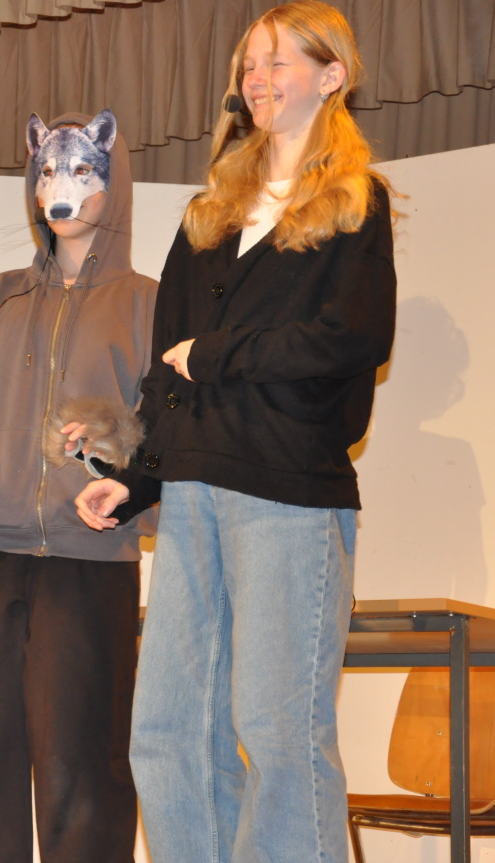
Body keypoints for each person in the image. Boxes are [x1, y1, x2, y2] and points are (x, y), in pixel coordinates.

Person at [73, 3, 397, 860]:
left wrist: (218, 355)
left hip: (287, 492)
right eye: (249, 64)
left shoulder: (356, 202)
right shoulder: (208, 214)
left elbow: (352, 338)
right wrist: (137, 477)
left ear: (331, 76)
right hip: (191, 496)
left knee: (278, 731)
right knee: (167, 730)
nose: (258, 78)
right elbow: (164, 366)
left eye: (279, 61)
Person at [0, 110, 157, 863]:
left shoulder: (148, 301)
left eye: (80, 170)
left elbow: (171, 433)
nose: (61, 187)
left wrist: (117, 450)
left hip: (91, 561)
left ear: (112, 180)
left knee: (84, 763)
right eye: (47, 171)